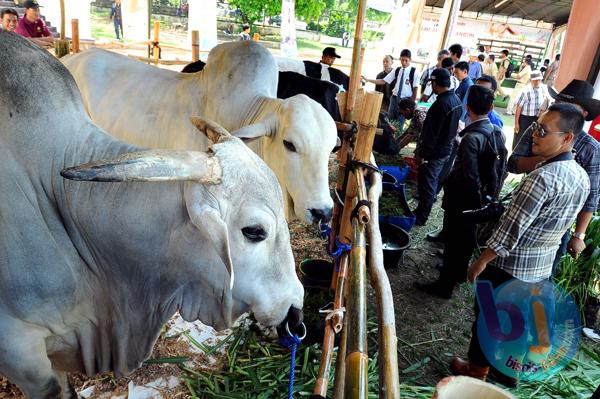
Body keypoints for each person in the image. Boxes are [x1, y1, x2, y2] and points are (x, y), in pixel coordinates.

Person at [451, 103, 590, 385]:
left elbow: (510, 230)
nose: (534, 135)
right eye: (535, 126)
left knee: (488, 318)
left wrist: (482, 260)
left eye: (542, 130)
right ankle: (507, 373)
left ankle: (477, 369)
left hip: (508, 266)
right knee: (519, 323)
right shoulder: (581, 176)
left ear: (566, 138)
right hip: (540, 267)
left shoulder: (542, 178)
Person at [416, 85, 507, 298]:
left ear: (467, 107)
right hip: (481, 198)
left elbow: (470, 175)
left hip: (463, 199)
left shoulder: (471, 138)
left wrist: (471, 199)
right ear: (492, 107)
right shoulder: (497, 132)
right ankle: (457, 273)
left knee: (455, 240)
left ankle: (444, 286)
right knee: (465, 240)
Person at [509, 79, 600, 274]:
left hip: (557, 226)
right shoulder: (539, 130)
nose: (559, 108)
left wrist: (579, 235)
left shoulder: (591, 149)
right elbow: (513, 164)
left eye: (569, 105)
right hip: (524, 208)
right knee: (500, 266)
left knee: (540, 279)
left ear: (583, 114)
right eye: (558, 102)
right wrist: (546, 159)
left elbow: (591, 198)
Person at [413, 68, 462, 226]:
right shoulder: (456, 100)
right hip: (445, 149)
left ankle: (421, 216)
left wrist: (422, 154)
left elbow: (430, 134)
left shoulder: (440, 104)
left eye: (432, 83)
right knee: (431, 182)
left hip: (433, 153)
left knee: (428, 183)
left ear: (435, 83)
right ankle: (421, 211)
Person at [363, 49, 420, 125]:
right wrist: (368, 80)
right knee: (389, 121)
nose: (404, 62)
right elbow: (383, 81)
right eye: (402, 60)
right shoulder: (397, 70)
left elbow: (415, 89)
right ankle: (389, 136)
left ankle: (397, 136)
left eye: (406, 60)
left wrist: (411, 104)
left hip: (405, 101)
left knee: (400, 123)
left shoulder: (414, 72)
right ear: (400, 59)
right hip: (394, 98)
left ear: (410, 60)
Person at [512, 70, 551, 149]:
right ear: (530, 80)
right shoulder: (525, 90)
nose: (537, 82)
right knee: (520, 137)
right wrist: (516, 123)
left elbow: (547, 100)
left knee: (533, 138)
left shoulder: (544, 88)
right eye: (535, 80)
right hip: (525, 118)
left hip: (538, 118)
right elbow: (519, 107)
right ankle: (515, 153)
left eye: (539, 80)